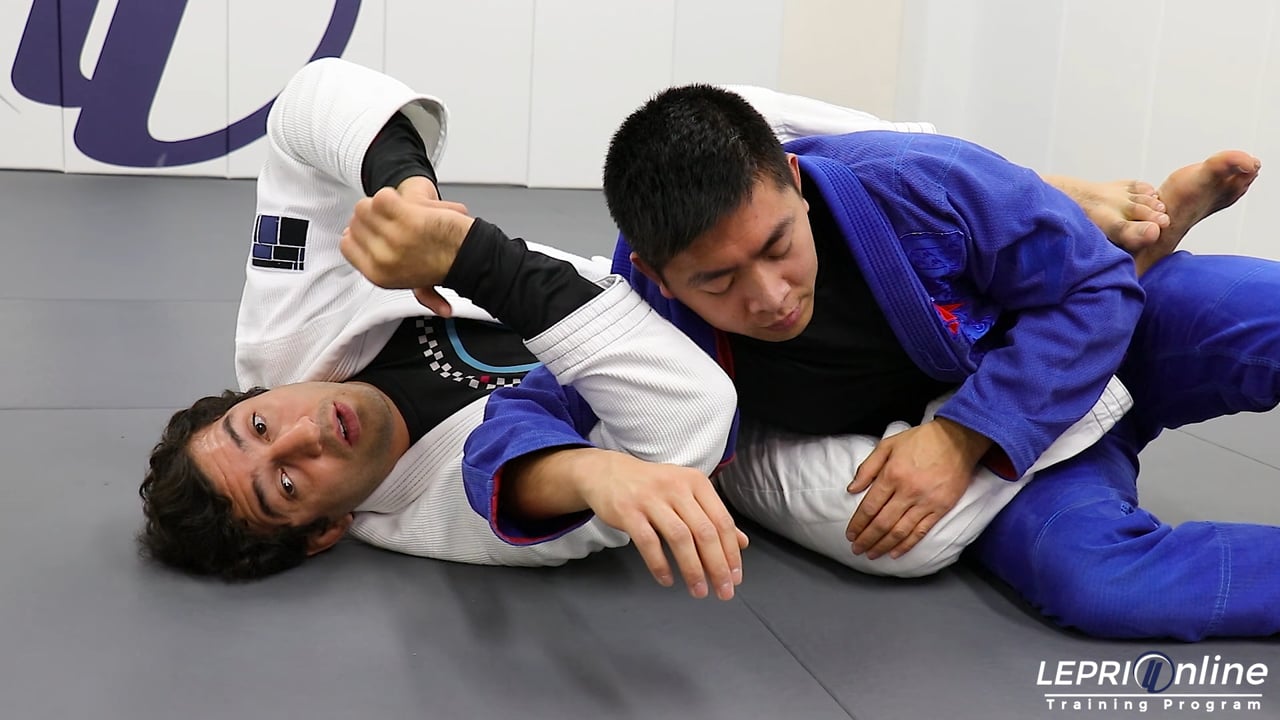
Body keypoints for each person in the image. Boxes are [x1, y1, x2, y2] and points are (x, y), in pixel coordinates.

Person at [463, 83, 1277, 641]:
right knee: (1105, 585)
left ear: (794, 182)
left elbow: (1095, 289)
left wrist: (959, 436)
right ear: (657, 274)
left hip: (1098, 339)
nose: (770, 296)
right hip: (1026, 466)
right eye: (718, 281)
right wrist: (595, 474)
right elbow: (510, 427)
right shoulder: (644, 318)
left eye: (778, 246)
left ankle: (1130, 227)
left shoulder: (919, 182)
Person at [137, 57, 748, 586]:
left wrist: (408, 198)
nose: (304, 435)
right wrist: (469, 258)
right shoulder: (452, 513)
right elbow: (694, 416)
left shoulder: (286, 338)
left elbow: (307, 105)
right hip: (757, 418)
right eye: (288, 485)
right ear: (325, 530)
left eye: (259, 425)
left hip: (690, 264)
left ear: (252, 395)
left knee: (736, 120)